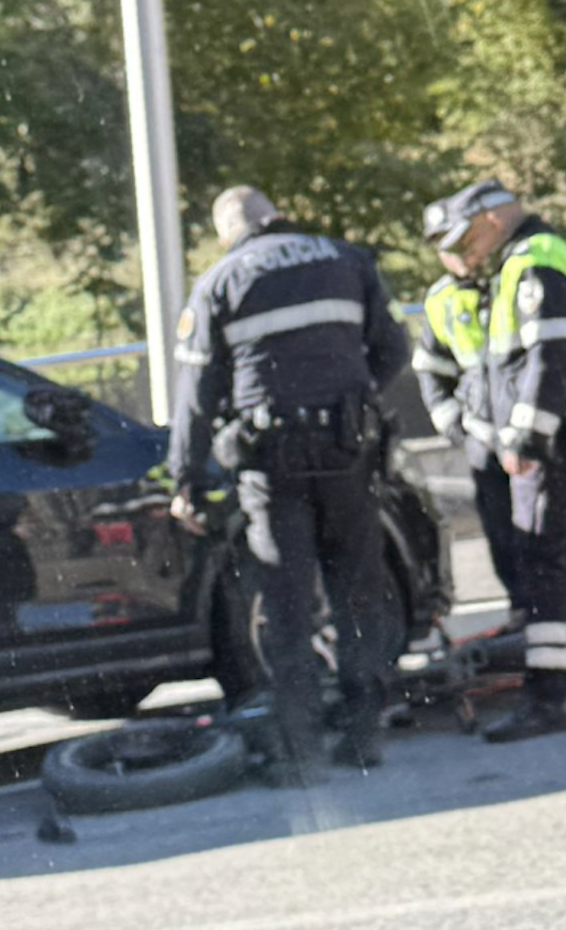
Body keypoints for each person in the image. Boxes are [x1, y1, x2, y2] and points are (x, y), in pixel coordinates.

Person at [168, 185, 409, 783]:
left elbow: (196, 399)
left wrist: (188, 481)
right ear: (275, 215)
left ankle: (300, 753)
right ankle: (362, 737)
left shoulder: (219, 282)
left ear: (229, 232)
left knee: (286, 606)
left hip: (272, 466)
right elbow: (393, 351)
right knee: (357, 592)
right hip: (348, 452)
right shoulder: (346, 259)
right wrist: (352, 401)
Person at [414, 189, 566, 688]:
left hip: (541, 438)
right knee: (526, 548)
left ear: (492, 222)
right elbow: (434, 371)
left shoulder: (530, 268)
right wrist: (457, 424)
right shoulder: (448, 298)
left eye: (464, 242)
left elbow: (560, 353)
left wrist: (531, 430)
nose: (459, 256)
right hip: (495, 439)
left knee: (565, 548)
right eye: (446, 247)